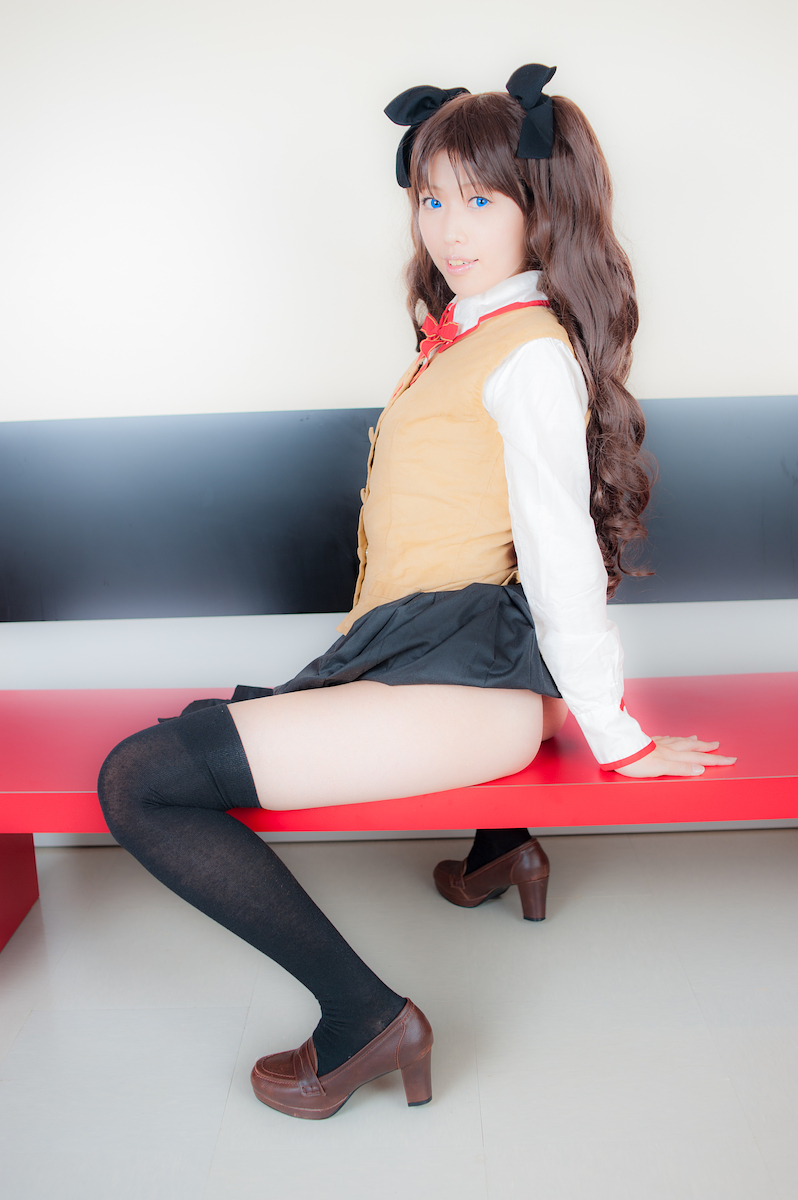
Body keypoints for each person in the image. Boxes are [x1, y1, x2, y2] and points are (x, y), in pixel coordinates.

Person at [97, 64, 735, 1121]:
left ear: (539, 205)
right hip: (430, 656)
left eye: (479, 199)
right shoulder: (464, 334)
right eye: (431, 198)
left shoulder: (527, 355)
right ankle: (499, 850)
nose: (448, 227)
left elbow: (560, 555)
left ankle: (366, 1019)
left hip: (466, 685)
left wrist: (616, 733)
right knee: (196, 747)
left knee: (140, 780)